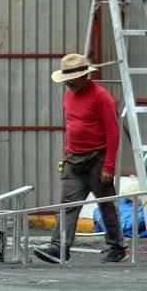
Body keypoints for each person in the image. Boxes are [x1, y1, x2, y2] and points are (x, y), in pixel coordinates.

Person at [33, 53, 126, 264]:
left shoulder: (101, 96)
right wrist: (66, 155)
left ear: (86, 76)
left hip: (97, 159)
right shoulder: (68, 96)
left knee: (105, 204)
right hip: (74, 159)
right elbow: (72, 127)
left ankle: (117, 246)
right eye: (67, 79)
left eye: (74, 78)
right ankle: (59, 247)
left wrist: (109, 166)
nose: (70, 83)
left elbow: (113, 132)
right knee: (68, 204)